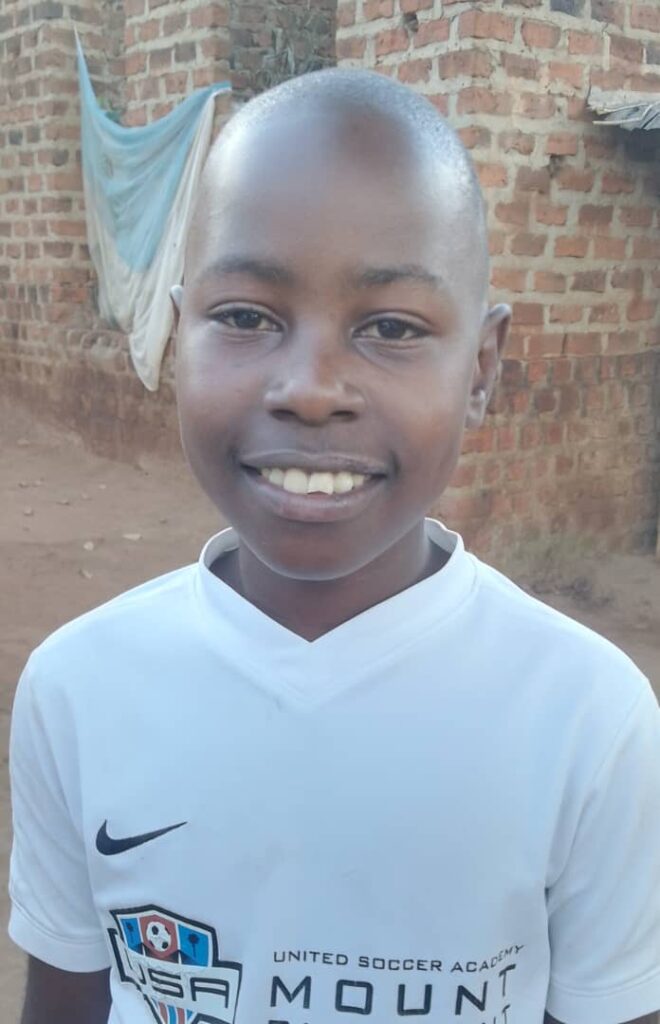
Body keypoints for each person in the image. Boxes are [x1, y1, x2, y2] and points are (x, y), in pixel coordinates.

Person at [7, 67, 660, 1024]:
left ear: (481, 368)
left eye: (391, 327)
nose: (311, 390)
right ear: (179, 337)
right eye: (245, 318)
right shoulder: (79, 689)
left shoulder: (587, 722)